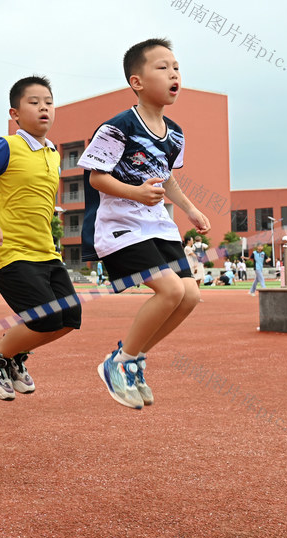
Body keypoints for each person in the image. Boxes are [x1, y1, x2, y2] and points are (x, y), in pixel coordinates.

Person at [78, 39, 209, 409]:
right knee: (169, 291)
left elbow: (167, 178)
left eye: (177, 67)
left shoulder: (176, 133)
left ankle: (131, 357)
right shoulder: (117, 127)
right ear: (137, 82)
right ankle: (116, 363)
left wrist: (190, 210)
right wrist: (135, 194)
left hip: (158, 225)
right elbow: (96, 178)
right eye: (163, 67)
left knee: (190, 295)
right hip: (120, 223)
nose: (174, 74)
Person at [0, 76, 81, 401]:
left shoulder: (53, 154)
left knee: (70, 317)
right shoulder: (5, 146)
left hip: (46, 252)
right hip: (9, 251)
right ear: (14, 114)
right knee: (45, 316)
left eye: (49, 102)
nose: (44, 107)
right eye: (34, 102)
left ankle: (14, 356)